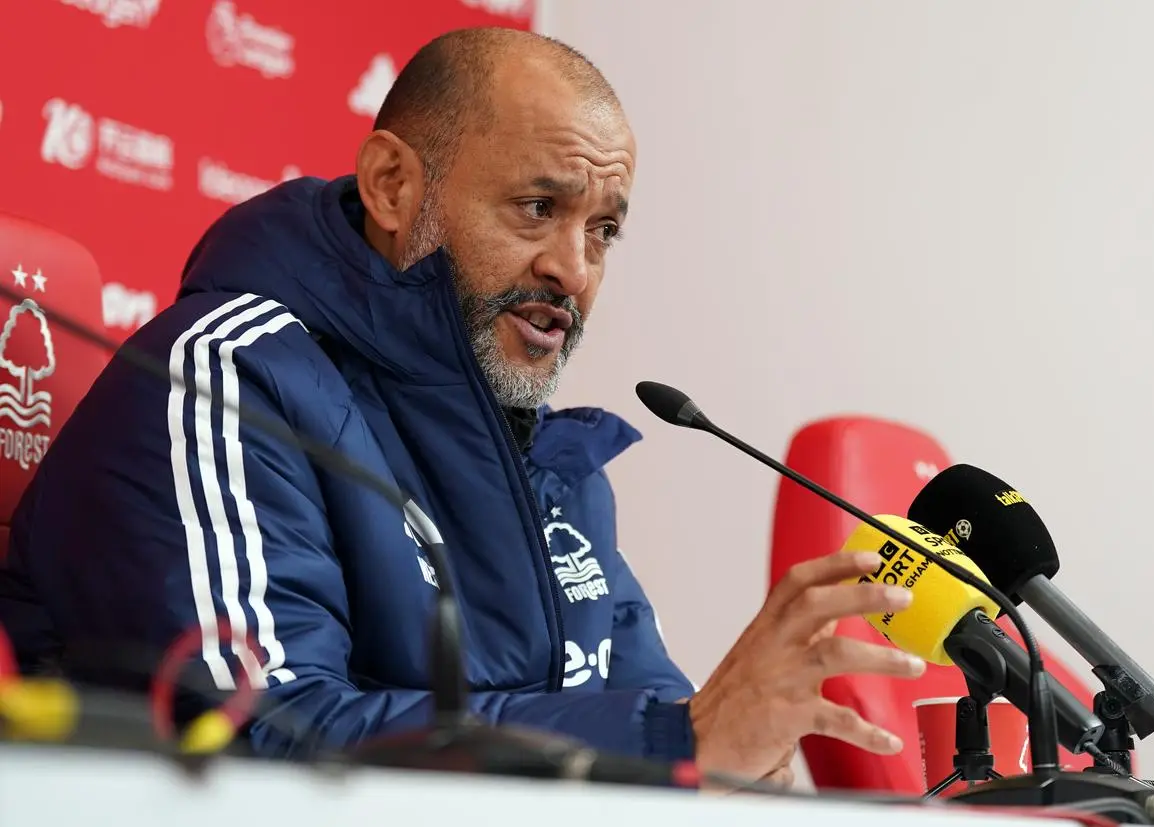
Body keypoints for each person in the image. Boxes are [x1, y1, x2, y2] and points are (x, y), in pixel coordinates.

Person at [0, 27, 924, 785]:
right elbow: (254, 738)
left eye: (602, 229)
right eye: (536, 208)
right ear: (394, 186)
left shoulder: (556, 466)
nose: (575, 267)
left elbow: (663, 722)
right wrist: (675, 744)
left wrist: (742, 761)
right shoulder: (223, 379)